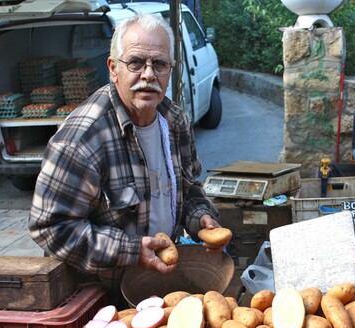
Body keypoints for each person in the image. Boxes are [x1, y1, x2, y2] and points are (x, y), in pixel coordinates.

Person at [28, 13, 226, 306]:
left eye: (159, 64)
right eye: (135, 62)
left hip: (158, 287)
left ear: (170, 71)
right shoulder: (82, 138)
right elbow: (49, 227)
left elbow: (190, 187)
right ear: (113, 68)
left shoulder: (175, 122)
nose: (148, 74)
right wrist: (131, 250)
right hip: (100, 300)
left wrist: (200, 218)